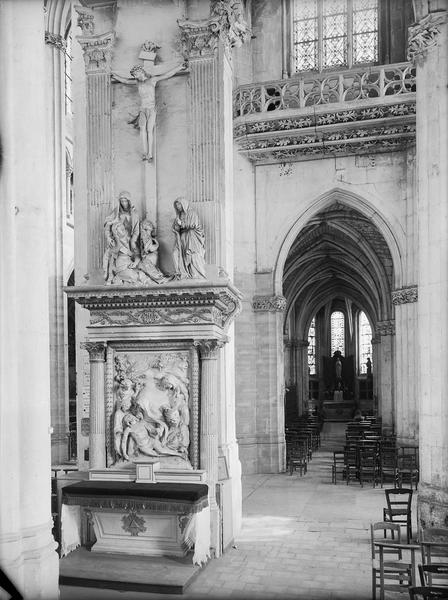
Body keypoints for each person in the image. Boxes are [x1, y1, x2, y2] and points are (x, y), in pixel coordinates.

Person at [112, 56, 186, 161]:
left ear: (140, 71)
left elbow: (166, 75)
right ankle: (144, 153)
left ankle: (150, 154)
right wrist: (114, 75)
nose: (135, 76)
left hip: (151, 109)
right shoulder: (138, 82)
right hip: (143, 109)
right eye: (134, 75)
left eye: (135, 74)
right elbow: (126, 81)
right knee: (143, 130)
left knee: (149, 130)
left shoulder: (152, 80)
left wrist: (179, 67)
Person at [103, 191, 140, 284]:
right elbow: (107, 226)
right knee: (111, 255)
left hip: (128, 239)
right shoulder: (116, 212)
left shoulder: (134, 214)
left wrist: (133, 240)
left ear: (129, 201)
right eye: (122, 201)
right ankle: (110, 275)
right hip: (117, 238)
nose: (124, 203)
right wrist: (109, 238)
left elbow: (136, 230)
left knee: (134, 252)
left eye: (125, 201)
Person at [172, 197, 206, 279]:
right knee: (180, 254)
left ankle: (195, 273)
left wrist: (181, 223)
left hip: (192, 237)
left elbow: (193, 225)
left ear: (183, 204)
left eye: (179, 205)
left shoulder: (192, 213)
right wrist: (177, 225)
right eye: (176, 206)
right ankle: (184, 272)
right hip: (183, 237)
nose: (178, 207)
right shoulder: (179, 215)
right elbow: (175, 227)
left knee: (192, 254)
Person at [137, 218, 170, 283]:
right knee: (150, 269)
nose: (151, 225)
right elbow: (150, 249)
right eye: (149, 224)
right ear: (145, 228)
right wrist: (156, 244)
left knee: (153, 269)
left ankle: (161, 278)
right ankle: (161, 280)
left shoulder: (149, 238)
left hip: (151, 259)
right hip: (147, 259)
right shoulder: (145, 237)